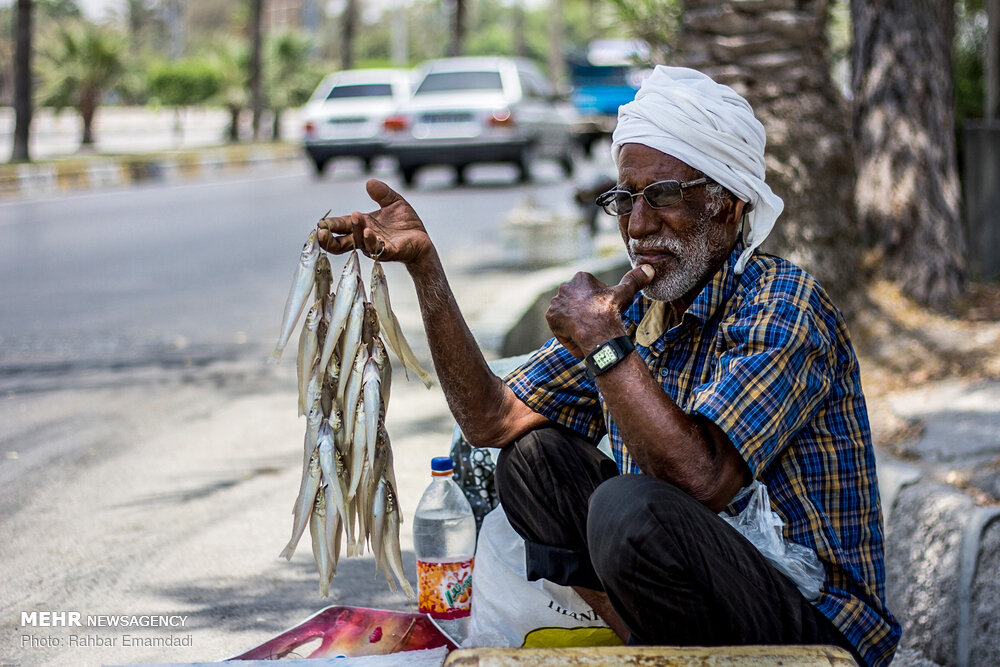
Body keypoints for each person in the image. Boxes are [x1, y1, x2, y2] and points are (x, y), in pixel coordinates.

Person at [317, 66, 900, 667]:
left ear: (729, 204)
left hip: (818, 629)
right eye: (624, 199)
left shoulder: (782, 302)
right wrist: (425, 268)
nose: (639, 226)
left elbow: (701, 481)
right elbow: (492, 421)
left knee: (630, 510)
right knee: (533, 461)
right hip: (709, 596)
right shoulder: (645, 313)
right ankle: (654, 653)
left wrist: (605, 346)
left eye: (665, 197)